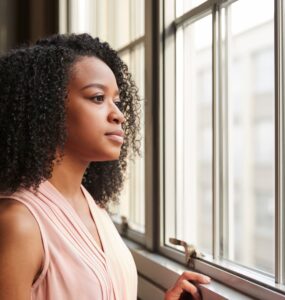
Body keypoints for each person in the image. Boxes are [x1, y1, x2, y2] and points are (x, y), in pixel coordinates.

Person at [0, 33, 210, 300]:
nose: (119, 115)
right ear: (48, 107)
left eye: (117, 101)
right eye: (98, 98)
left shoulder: (93, 207)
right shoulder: (17, 223)